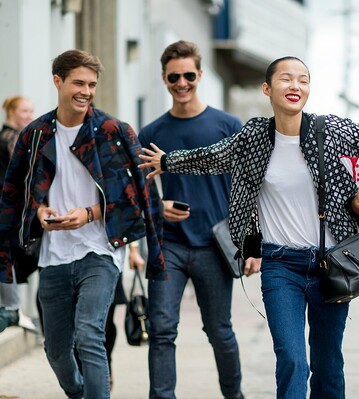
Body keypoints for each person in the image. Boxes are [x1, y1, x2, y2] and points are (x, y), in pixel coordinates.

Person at [138, 55, 359, 399]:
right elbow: (214, 155)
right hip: (279, 266)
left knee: (327, 364)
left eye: (303, 80)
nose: (295, 85)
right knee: (292, 360)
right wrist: (167, 161)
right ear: (267, 88)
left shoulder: (331, 130)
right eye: (286, 78)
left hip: (330, 264)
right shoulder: (253, 138)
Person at [0, 49, 165, 399]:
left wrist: (90, 214)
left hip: (99, 250)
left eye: (91, 84)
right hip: (53, 255)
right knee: (57, 352)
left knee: (90, 333)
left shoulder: (112, 131)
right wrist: (40, 211)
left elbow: (138, 193)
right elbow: (14, 191)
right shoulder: (35, 134)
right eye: (78, 82)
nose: (86, 91)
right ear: (57, 81)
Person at [131, 40, 245, 399]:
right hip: (169, 245)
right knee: (162, 329)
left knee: (219, 330)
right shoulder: (150, 133)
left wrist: (251, 243)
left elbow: (248, 189)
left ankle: (234, 395)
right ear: (164, 79)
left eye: (189, 75)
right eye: (174, 77)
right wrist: (158, 206)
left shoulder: (228, 125)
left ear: (200, 75)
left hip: (215, 245)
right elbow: (135, 191)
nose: (182, 83)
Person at [0, 95, 38, 334]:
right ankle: (13, 308)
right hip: (9, 210)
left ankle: (14, 308)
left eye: (31, 111)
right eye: (24, 111)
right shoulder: (12, 138)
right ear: (11, 113)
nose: (29, 116)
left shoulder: (10, 137)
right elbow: (26, 174)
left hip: (10, 209)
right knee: (9, 256)